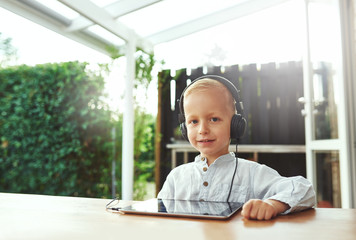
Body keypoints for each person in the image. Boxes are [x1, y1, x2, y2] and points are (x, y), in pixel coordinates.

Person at [157, 75, 316, 221]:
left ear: (235, 125)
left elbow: (304, 189)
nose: (202, 130)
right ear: (184, 128)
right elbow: (160, 217)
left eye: (214, 119)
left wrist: (272, 204)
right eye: (193, 121)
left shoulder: (252, 173)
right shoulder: (176, 177)